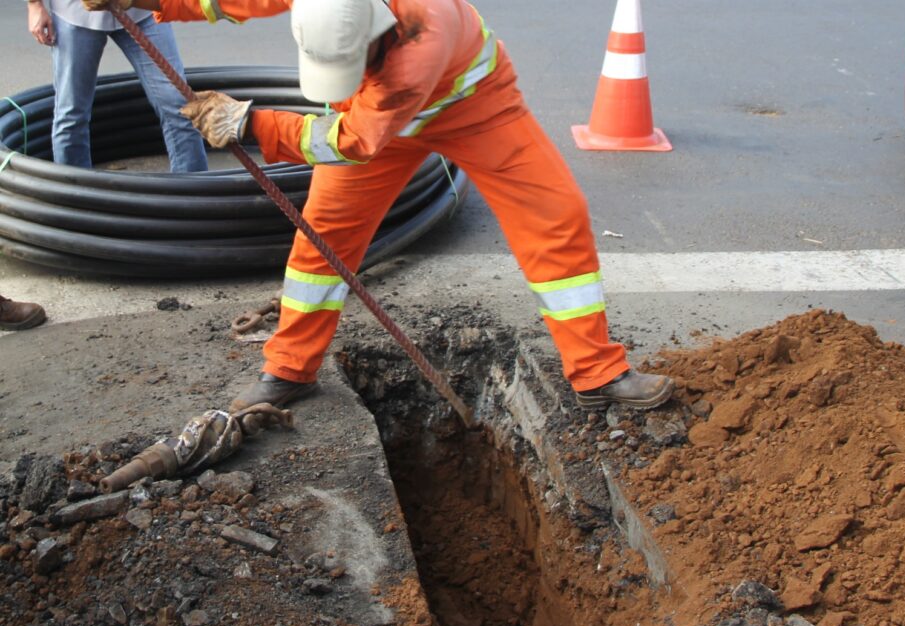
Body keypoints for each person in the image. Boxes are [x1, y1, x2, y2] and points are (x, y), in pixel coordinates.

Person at [84, 0, 675, 411]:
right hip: (374, 110)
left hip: (475, 105)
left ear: (378, 31)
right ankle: (288, 367)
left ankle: (598, 373)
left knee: (556, 213)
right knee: (323, 238)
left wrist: (253, 122)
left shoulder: (418, 39)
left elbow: (351, 142)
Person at [27, 0, 207, 172]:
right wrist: (35, 4)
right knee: (71, 115)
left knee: (179, 106)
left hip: (142, 10)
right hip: (75, 13)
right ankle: (74, 195)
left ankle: (193, 195)